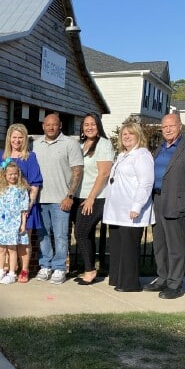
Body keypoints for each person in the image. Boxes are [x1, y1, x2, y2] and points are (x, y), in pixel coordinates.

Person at [144, 113, 185, 298]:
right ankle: (162, 278)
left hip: (176, 203)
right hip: (157, 200)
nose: (168, 129)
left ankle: (175, 284)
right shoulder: (159, 149)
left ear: (180, 126)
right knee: (159, 244)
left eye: (172, 126)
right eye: (164, 127)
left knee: (175, 246)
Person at [32, 113, 83, 284]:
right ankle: (45, 265)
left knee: (61, 235)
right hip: (39, 199)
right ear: (43, 126)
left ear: (60, 125)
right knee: (43, 235)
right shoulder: (35, 145)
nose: (51, 127)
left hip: (61, 199)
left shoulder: (70, 143)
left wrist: (70, 196)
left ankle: (59, 268)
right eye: (48, 125)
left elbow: (77, 171)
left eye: (54, 124)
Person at [103, 122, 154, 292]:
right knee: (117, 246)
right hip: (117, 210)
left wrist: (137, 206)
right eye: (124, 134)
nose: (126, 137)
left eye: (130, 134)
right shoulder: (123, 155)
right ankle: (117, 278)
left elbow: (145, 183)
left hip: (131, 210)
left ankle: (130, 283)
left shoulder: (142, 155)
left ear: (138, 135)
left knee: (129, 247)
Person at [0, 123, 43, 282]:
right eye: (14, 137)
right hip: (7, 208)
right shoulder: (2, 156)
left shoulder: (30, 157)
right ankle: (10, 270)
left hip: (25, 206)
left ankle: (24, 270)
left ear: (25, 139)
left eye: (20, 137)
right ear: (9, 138)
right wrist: (1, 196)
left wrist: (29, 204)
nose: (17, 140)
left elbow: (35, 183)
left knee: (23, 239)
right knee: (7, 243)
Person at [74, 113, 114, 285]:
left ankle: (90, 271)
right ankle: (89, 269)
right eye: (86, 124)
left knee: (81, 233)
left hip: (96, 197)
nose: (89, 127)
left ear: (98, 126)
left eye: (93, 124)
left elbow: (104, 173)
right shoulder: (81, 144)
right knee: (87, 234)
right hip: (80, 196)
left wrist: (91, 198)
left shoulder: (104, 144)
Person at [0, 160, 30, 284]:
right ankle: (1, 270)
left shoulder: (21, 189)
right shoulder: (0, 189)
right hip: (2, 223)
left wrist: (23, 224)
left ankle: (12, 273)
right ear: (4, 175)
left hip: (14, 222)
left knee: (12, 249)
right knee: (1, 249)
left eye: (15, 174)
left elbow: (24, 210)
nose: (13, 176)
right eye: (10, 174)